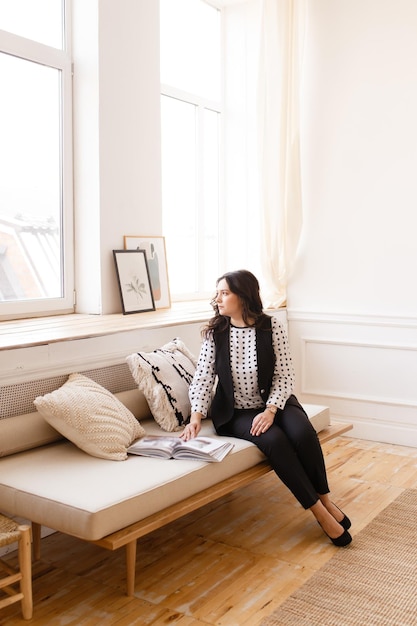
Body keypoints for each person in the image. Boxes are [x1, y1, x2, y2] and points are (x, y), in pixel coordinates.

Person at [181, 269, 352, 547]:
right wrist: (196, 416)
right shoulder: (215, 333)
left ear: (243, 296)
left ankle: (326, 500)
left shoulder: (271, 327)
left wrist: (271, 410)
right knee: (275, 441)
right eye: (218, 293)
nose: (218, 298)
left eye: (225, 293)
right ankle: (320, 513)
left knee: (302, 433)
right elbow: (203, 376)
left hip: (275, 402)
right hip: (235, 413)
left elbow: (285, 375)